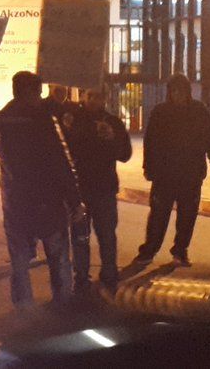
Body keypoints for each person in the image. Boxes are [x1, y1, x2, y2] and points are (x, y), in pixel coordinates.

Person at [0, 71, 86, 309]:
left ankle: (23, 306)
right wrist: (74, 201)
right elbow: (60, 162)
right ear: (32, 93)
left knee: (19, 260)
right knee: (58, 256)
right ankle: (62, 302)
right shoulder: (43, 121)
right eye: (39, 93)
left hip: (16, 202)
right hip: (47, 201)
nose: (41, 97)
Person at [134, 74, 210, 268]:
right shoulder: (160, 112)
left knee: (187, 216)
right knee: (159, 215)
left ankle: (180, 250)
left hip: (191, 174)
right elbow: (150, 141)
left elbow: (209, 137)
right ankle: (149, 250)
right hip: (164, 175)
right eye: (174, 91)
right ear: (169, 92)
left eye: (181, 91)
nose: (177, 95)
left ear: (187, 92)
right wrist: (148, 167)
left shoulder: (199, 111)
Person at [64, 87, 132, 293]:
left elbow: (125, 154)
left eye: (99, 97)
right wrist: (69, 130)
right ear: (84, 97)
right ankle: (81, 276)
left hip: (105, 187)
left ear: (104, 99)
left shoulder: (113, 122)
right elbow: (66, 150)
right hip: (80, 189)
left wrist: (111, 137)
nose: (94, 101)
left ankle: (109, 273)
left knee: (107, 234)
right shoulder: (73, 120)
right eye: (90, 96)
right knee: (80, 236)